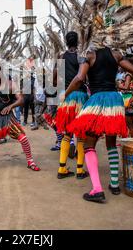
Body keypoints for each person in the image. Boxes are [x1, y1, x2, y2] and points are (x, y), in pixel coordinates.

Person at [65, 46, 133, 202]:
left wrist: (65, 94)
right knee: (111, 142)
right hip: (114, 100)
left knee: (89, 145)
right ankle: (114, 184)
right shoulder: (117, 54)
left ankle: (97, 189)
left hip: (97, 101)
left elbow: (80, 78)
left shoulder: (90, 56)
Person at [0, 63, 40, 171]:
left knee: (23, 138)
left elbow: (21, 100)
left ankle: (30, 161)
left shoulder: (11, 84)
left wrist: (11, 106)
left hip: (8, 119)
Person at [53, 31, 90, 180]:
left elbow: (54, 79)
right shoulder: (82, 56)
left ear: (66, 42)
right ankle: (80, 170)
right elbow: (84, 77)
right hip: (80, 97)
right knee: (81, 135)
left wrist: (62, 83)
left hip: (66, 98)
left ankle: (62, 168)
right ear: (78, 41)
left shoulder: (61, 57)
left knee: (67, 133)